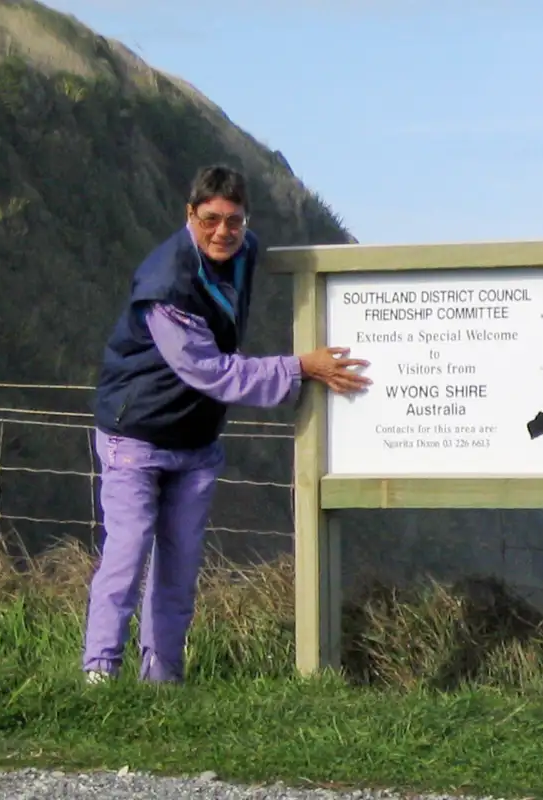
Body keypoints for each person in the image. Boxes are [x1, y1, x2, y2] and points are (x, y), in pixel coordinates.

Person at [82, 164, 371, 684]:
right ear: (189, 214)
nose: (223, 232)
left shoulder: (247, 251)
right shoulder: (166, 282)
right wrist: (301, 367)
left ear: (246, 220)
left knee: (179, 567)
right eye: (210, 219)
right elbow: (210, 372)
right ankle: (99, 673)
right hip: (136, 437)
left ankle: (162, 681)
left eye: (234, 221)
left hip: (196, 442)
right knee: (125, 558)